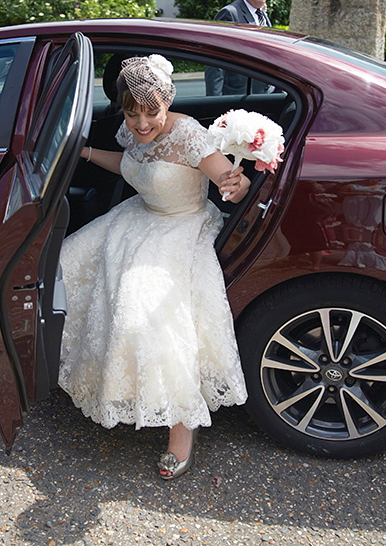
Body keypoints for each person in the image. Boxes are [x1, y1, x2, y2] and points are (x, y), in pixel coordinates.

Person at [59, 55, 251, 480]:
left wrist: (236, 185)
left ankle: (181, 429)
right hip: (137, 217)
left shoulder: (188, 135)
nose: (141, 124)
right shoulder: (130, 131)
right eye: (132, 113)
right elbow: (130, 165)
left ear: (168, 104)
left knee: (144, 313)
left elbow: (229, 181)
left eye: (151, 113)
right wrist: (88, 152)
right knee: (65, 262)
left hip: (181, 226)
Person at [205, 0, 272, 96]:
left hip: (266, 97)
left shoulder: (262, 15)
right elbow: (216, 64)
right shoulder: (230, 14)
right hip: (240, 100)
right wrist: (213, 104)